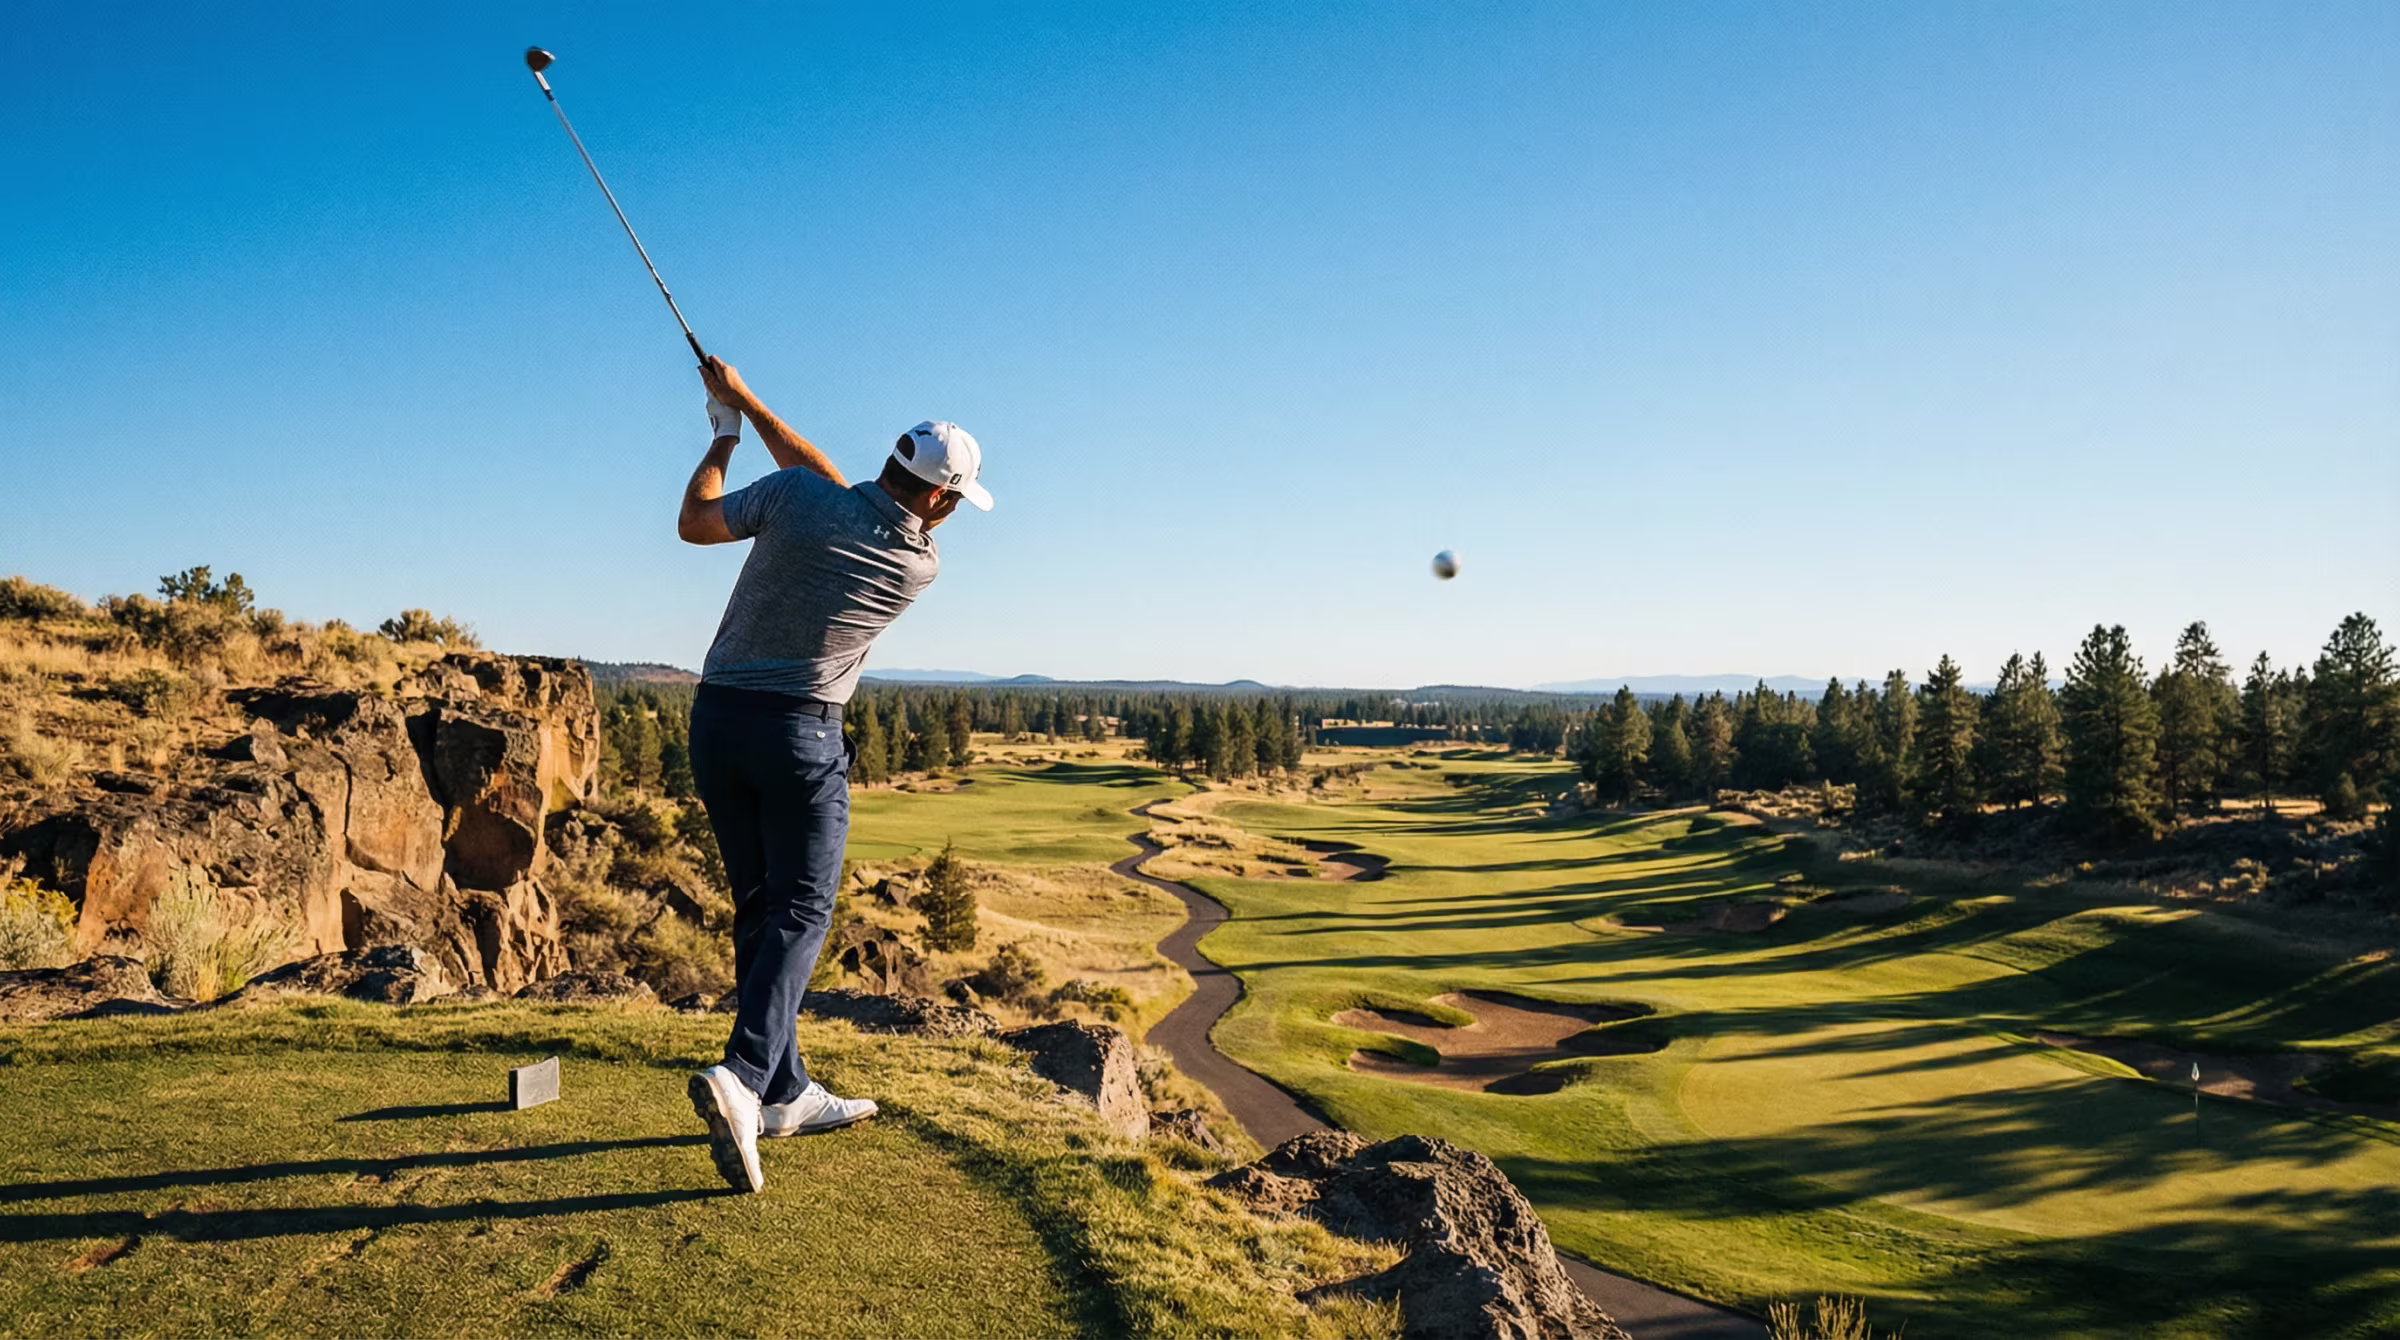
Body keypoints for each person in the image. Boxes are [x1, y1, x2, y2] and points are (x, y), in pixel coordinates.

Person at [676, 355, 991, 1193]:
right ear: (935, 498)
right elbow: (831, 487)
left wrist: (726, 429)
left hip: (715, 724)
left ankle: (784, 1092)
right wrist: (744, 404)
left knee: (758, 907)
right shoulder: (917, 565)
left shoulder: (798, 502)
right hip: (798, 739)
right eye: (954, 502)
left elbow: (698, 521)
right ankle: (744, 1076)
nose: (952, 516)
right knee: (804, 907)